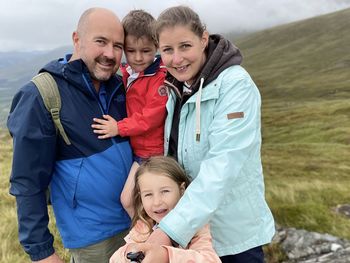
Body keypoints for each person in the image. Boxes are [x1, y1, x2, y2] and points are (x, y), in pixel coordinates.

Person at [141, 5, 276, 263]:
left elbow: (221, 167)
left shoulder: (235, 85)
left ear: (203, 39)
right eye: (167, 50)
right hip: (192, 236)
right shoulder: (176, 88)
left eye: (185, 46)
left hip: (233, 238)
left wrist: (168, 231)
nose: (177, 59)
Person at [7, 7, 133, 263]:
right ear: (77, 39)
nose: (110, 54)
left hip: (139, 224)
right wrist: (42, 253)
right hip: (93, 240)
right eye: (101, 42)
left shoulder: (121, 86)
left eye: (118, 45)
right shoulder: (41, 95)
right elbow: (27, 181)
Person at [91, 10, 167, 218]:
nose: (138, 58)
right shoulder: (128, 72)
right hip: (137, 151)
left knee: (133, 201)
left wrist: (118, 128)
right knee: (137, 201)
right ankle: (147, 238)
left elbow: (151, 117)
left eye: (146, 51)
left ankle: (152, 239)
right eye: (131, 51)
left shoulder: (159, 78)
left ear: (157, 46)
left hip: (153, 154)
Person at [109, 156, 221, 263]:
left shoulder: (196, 226)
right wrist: (128, 251)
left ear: (182, 190)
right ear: (140, 197)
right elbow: (114, 259)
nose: (157, 202)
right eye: (148, 194)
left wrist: (167, 255)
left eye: (165, 191)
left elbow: (211, 260)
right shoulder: (144, 225)